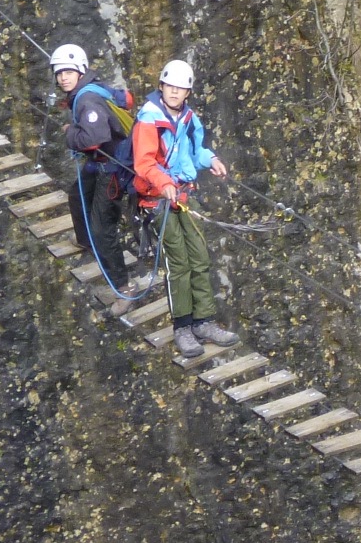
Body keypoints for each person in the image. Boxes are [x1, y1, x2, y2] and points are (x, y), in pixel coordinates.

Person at [132, 59, 238, 358]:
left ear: (188, 92)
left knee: (200, 257)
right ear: (161, 86)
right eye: (170, 86)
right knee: (178, 263)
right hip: (157, 199)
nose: (174, 92)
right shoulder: (149, 119)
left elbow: (195, 150)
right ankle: (182, 327)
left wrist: (211, 160)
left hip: (183, 195)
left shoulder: (189, 119)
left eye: (180, 88)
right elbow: (144, 162)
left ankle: (204, 321)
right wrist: (164, 182)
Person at [52, 44, 137, 291]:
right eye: (59, 73)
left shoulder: (87, 99)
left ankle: (122, 287)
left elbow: (93, 139)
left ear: (80, 71)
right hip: (101, 162)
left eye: (68, 72)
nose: (63, 78)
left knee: (102, 228)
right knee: (76, 196)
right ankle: (85, 240)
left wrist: (70, 133)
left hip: (113, 169)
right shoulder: (89, 89)